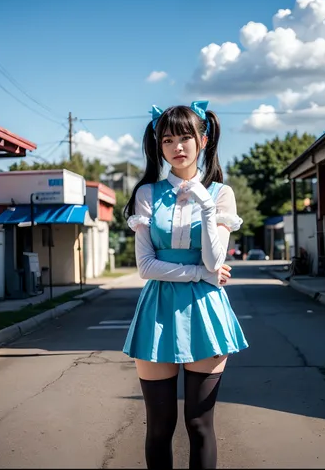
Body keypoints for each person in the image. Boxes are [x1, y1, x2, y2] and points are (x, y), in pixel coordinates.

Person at [123, 101, 249, 469]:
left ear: (203, 140)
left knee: (199, 423)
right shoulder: (147, 194)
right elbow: (146, 266)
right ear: (158, 147)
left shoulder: (221, 194)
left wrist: (207, 207)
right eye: (167, 140)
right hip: (157, 310)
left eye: (185, 137)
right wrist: (201, 274)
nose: (177, 147)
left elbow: (215, 259)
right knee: (159, 427)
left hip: (206, 311)